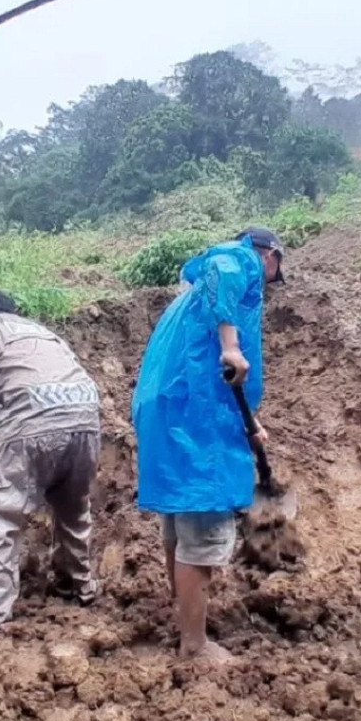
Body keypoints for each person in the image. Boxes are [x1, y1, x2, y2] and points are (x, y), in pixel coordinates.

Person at [132, 228, 285, 661]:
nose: (270, 283)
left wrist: (249, 421)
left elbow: (206, 371)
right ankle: (195, 645)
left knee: (180, 528)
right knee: (201, 529)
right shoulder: (238, 262)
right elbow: (224, 268)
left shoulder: (190, 300)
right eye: (275, 273)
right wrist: (233, 346)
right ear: (270, 255)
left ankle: (184, 619)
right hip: (197, 425)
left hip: (173, 412)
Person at [0, 290, 100, 633]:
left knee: (0, 512)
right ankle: (78, 586)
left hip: (35, 422)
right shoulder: (41, 331)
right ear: (15, 310)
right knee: (73, 507)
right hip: (87, 419)